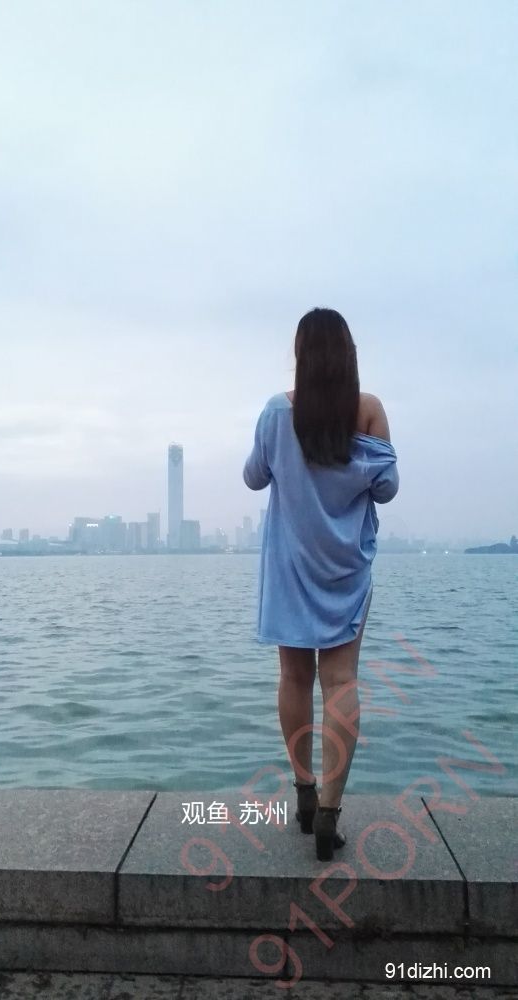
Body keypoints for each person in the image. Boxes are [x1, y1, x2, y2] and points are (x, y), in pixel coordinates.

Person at [242, 307, 399, 861]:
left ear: (301, 356)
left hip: (290, 566)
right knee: (341, 680)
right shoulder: (369, 411)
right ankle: (332, 809)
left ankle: (304, 791)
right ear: (349, 356)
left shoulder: (275, 412)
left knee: (293, 676)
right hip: (346, 569)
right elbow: (387, 489)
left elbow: (253, 476)